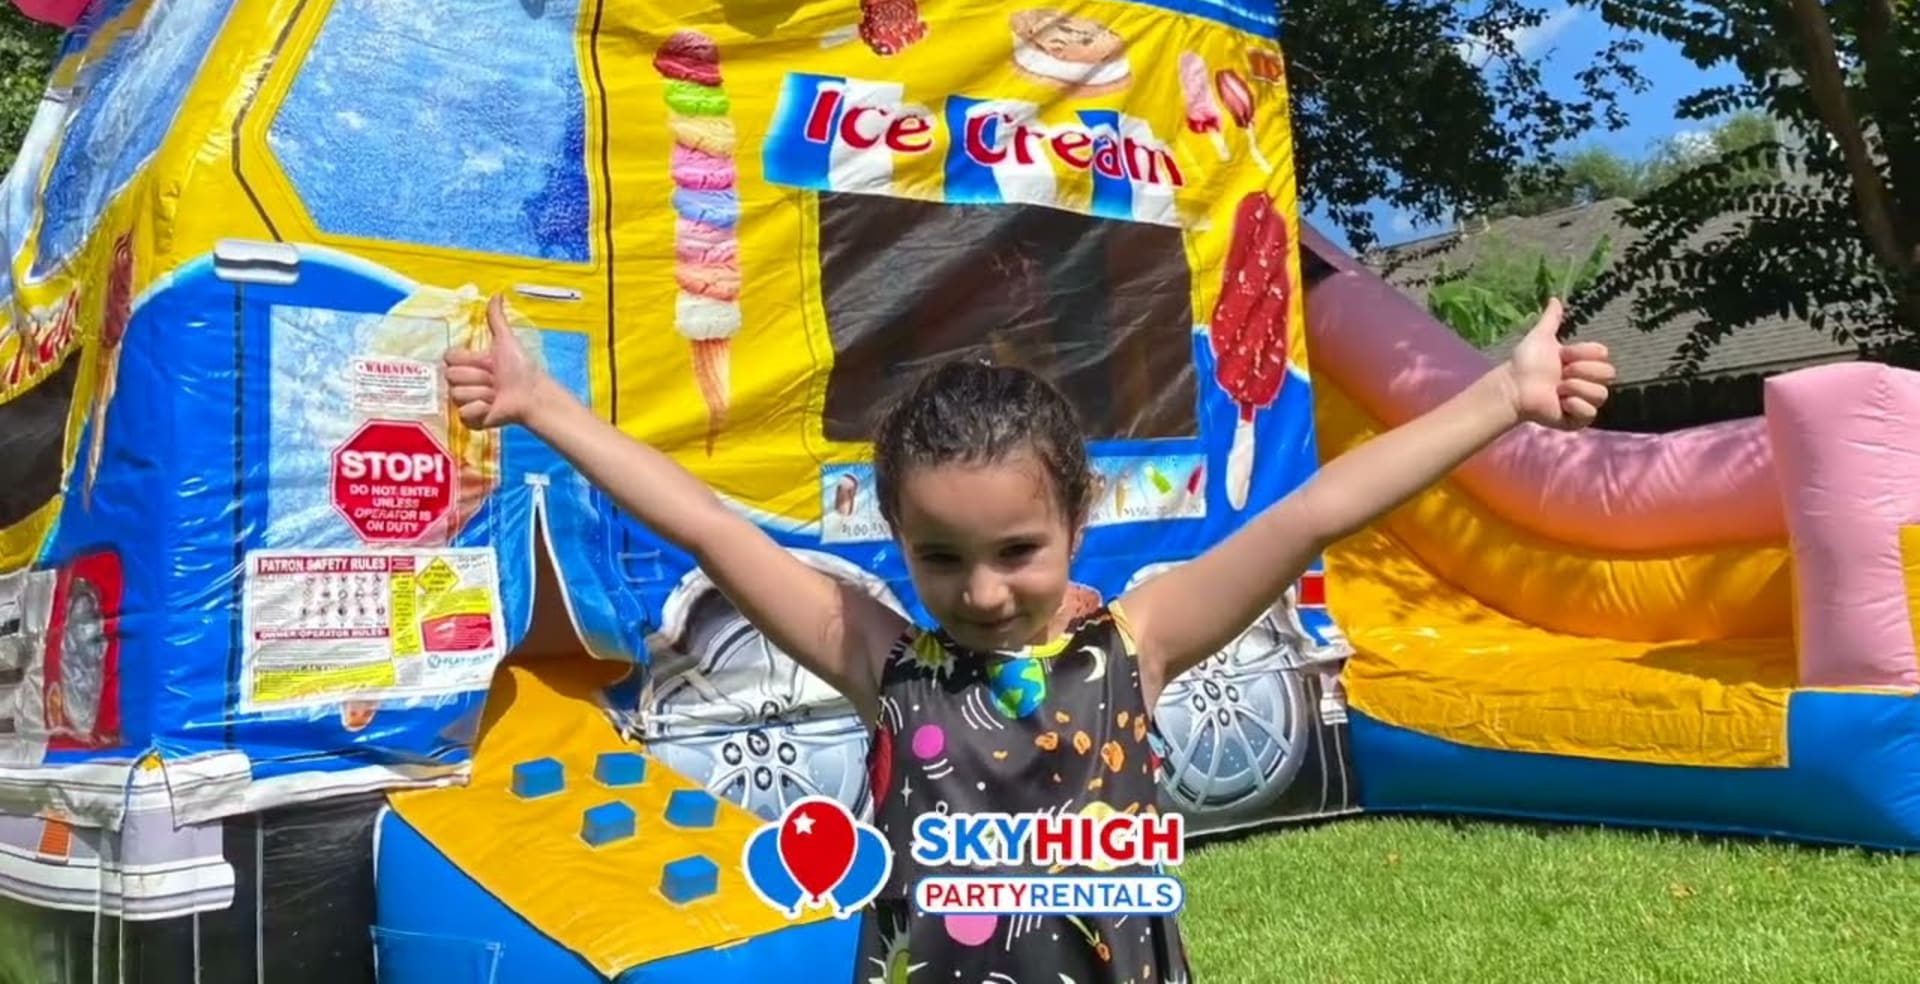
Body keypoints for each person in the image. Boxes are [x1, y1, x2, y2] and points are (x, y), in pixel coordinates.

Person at [445, 294, 1615, 984]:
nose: (985, 591)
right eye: (940, 557)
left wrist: (1499, 399)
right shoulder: (880, 661)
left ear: (1074, 524)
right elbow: (703, 521)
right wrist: (547, 408)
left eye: (1018, 551)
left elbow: (1314, 509)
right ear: (896, 539)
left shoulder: (1141, 643)